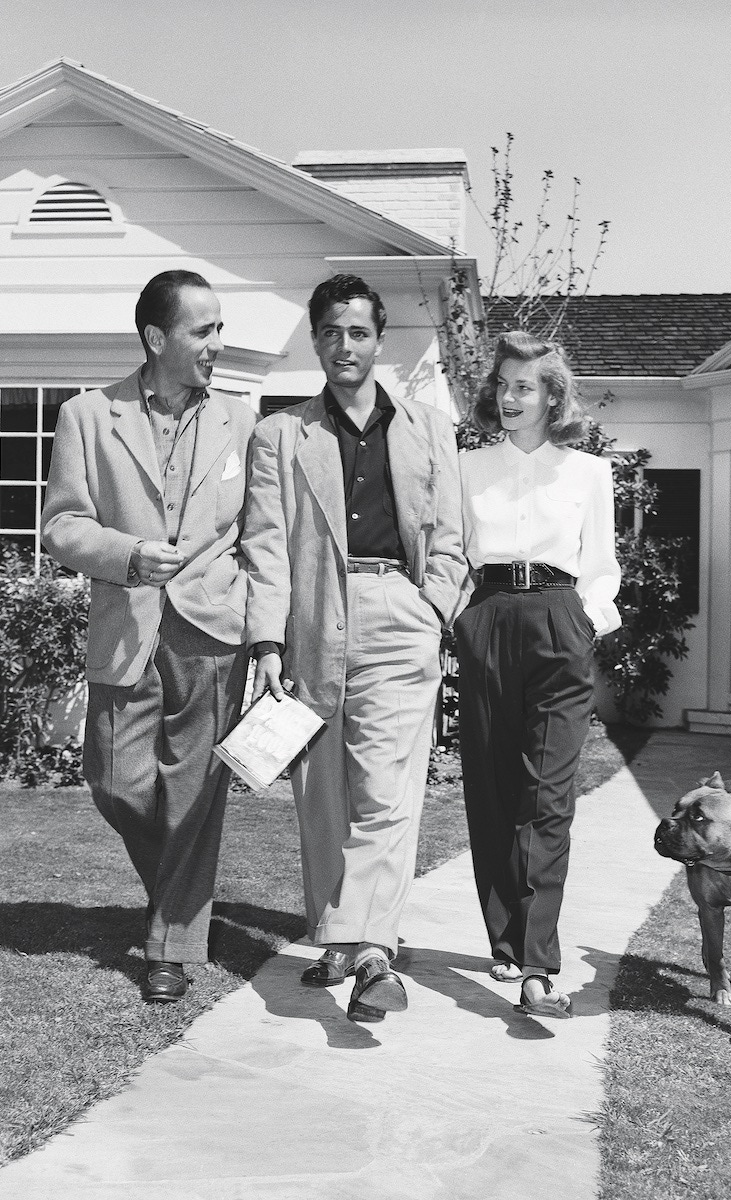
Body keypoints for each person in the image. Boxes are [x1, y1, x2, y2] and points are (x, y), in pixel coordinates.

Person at [243, 273, 467, 1022]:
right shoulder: (280, 434)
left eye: (360, 332)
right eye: (333, 332)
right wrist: (268, 642)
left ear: (379, 341)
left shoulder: (430, 427)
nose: (346, 345)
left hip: (399, 610)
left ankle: (370, 954)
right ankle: (338, 941)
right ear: (315, 339)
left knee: (387, 791)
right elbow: (267, 547)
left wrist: (431, 606)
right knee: (324, 793)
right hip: (313, 620)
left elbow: (454, 537)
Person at [42, 270, 256, 1002]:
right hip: (126, 620)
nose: (216, 345)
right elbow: (61, 526)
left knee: (194, 792)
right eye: (204, 331)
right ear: (157, 337)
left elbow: (258, 534)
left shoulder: (242, 418)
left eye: (219, 329)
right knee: (116, 780)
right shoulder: (86, 416)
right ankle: (183, 899)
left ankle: (171, 944)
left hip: (212, 626)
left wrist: (265, 634)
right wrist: (128, 555)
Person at [455, 332, 621, 1019]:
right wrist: (463, 619)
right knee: (492, 787)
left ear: (552, 396)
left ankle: (538, 963)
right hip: (487, 617)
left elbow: (603, 565)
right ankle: (503, 935)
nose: (511, 397)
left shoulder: (587, 473)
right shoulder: (466, 468)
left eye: (526, 386)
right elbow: (452, 553)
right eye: (504, 385)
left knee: (548, 797)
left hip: (560, 621)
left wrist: (586, 621)